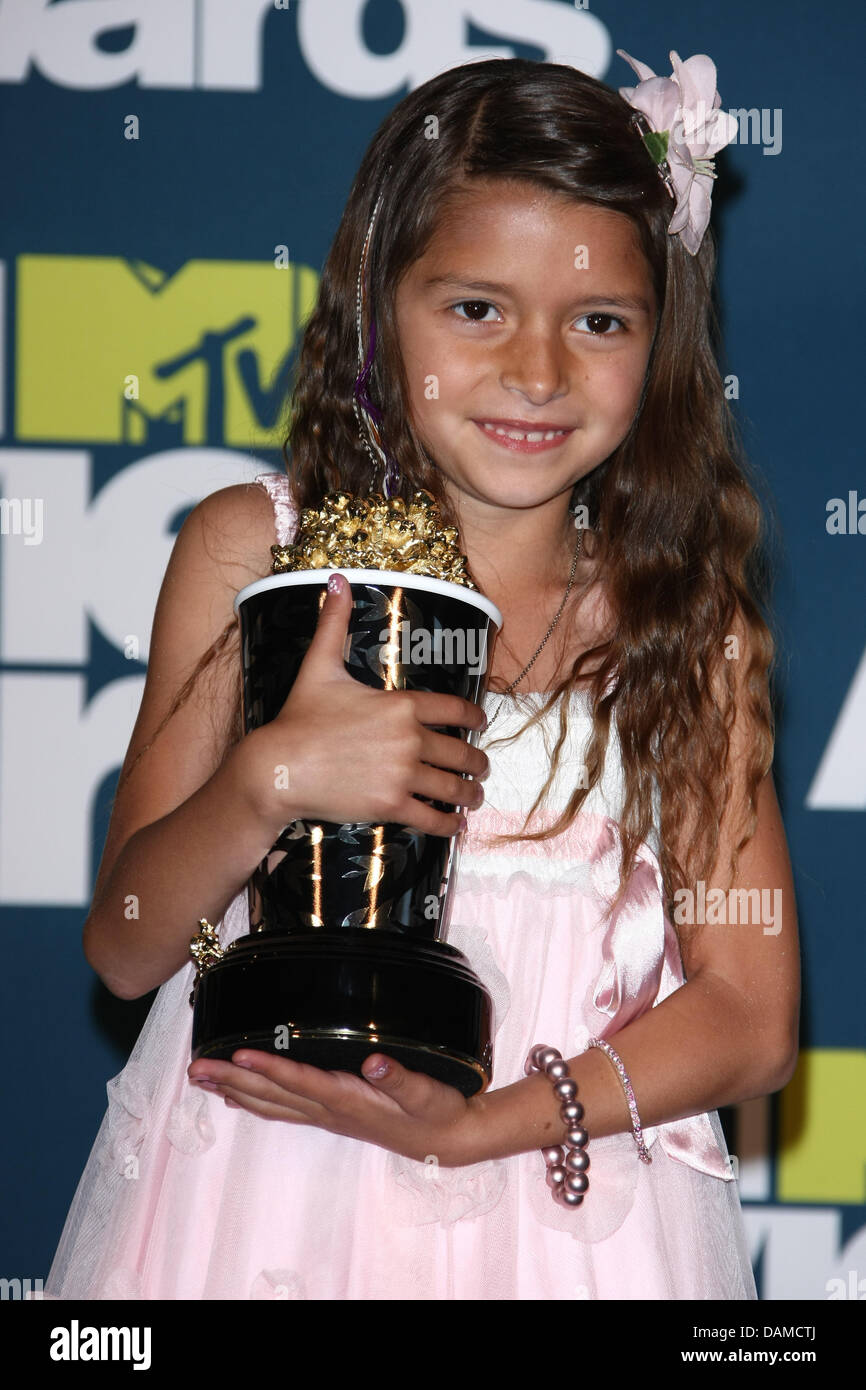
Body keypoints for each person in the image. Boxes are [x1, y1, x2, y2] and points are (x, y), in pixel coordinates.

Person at [44, 51, 799, 1301]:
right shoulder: (255, 549)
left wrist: (475, 1126)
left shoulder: (681, 617)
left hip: (560, 1219)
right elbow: (126, 949)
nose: (538, 370)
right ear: (376, 310)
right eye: (475, 308)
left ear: (659, 341)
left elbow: (748, 1014)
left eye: (597, 321)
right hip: (260, 1195)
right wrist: (271, 776)